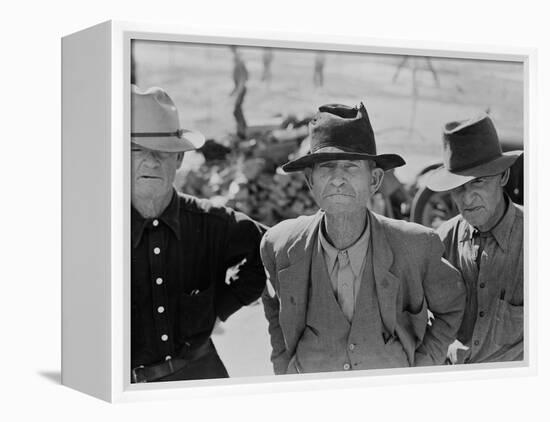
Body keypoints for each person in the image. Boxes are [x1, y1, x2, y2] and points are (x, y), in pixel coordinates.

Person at [260, 103, 465, 375]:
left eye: (351, 167)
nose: (337, 179)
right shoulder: (280, 245)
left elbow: (452, 307)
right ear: (310, 180)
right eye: (326, 167)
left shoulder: (415, 246)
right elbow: (275, 307)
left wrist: (421, 368)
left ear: (375, 180)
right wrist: (284, 366)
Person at [130, 85, 266, 383]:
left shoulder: (211, 222)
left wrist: (221, 306)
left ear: (179, 160)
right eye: (137, 150)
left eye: (163, 152)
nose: (151, 161)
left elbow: (271, 248)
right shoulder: (98, 231)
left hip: (202, 380)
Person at [426, 115, 524, 364]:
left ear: (502, 177)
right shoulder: (442, 241)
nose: (468, 199)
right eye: (458, 187)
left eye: (478, 181)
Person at [229, 46, 249, 139]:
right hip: (240, 89)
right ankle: (242, 129)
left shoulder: (240, 63)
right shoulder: (239, 63)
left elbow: (242, 80)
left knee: (237, 111)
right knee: (237, 110)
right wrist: (233, 91)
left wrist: (238, 91)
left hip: (241, 89)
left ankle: (242, 131)